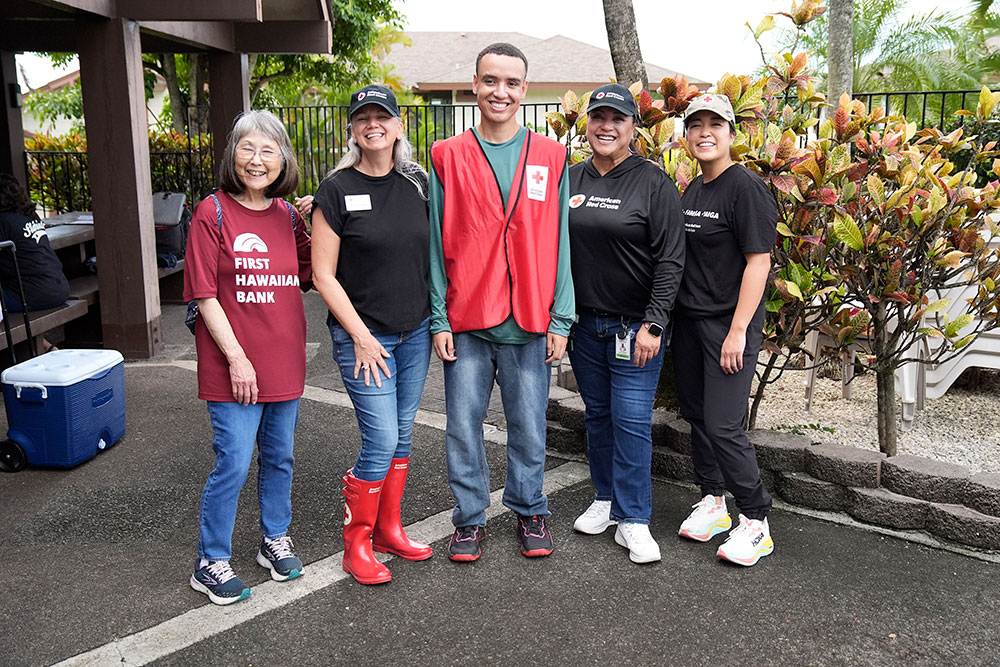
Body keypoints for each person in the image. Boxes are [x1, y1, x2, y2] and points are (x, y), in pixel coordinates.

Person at [429, 42, 574, 561]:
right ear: (474, 84)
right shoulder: (446, 156)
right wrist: (439, 317)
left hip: (531, 318)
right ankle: (469, 519)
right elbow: (434, 242)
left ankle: (531, 508)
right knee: (462, 428)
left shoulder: (552, 156)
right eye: (491, 81)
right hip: (467, 318)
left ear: (525, 90)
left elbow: (561, 243)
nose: (501, 91)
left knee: (529, 427)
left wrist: (563, 316)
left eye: (511, 83)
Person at [183, 110, 312, 604]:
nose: (257, 161)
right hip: (232, 363)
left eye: (268, 150)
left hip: (284, 357)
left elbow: (311, 272)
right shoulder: (211, 212)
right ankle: (210, 560)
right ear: (232, 155)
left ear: (283, 160)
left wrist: (317, 216)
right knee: (233, 462)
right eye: (247, 148)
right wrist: (237, 358)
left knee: (280, 457)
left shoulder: (287, 216)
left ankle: (273, 539)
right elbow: (203, 294)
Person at [310, 85, 433, 585]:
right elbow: (323, 275)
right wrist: (360, 336)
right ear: (353, 129)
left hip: (417, 331)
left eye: (383, 116)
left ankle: (389, 531)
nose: (373, 124)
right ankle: (355, 544)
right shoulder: (335, 190)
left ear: (399, 126)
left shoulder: (417, 185)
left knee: (402, 436)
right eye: (363, 117)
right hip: (365, 338)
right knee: (380, 441)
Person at [567, 84, 685, 564]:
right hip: (583, 327)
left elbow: (671, 261)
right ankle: (606, 501)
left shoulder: (653, 183)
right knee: (597, 416)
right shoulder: (569, 180)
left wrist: (654, 324)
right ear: (587, 124)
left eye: (618, 118)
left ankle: (634, 519)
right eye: (598, 117)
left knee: (632, 421)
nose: (606, 126)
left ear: (634, 128)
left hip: (634, 329)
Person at [673, 93, 777, 566]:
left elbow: (760, 262)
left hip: (727, 328)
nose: (705, 132)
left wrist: (738, 331)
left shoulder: (745, 189)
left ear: (732, 134)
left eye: (716, 124)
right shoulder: (694, 189)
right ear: (686, 135)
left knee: (723, 424)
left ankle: (756, 519)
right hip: (691, 325)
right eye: (696, 125)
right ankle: (714, 502)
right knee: (697, 415)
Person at [0, 173, 70, 352]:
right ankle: (45, 345)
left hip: (30, 295)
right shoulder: (30, 216)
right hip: (59, 289)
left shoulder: (3, 221)